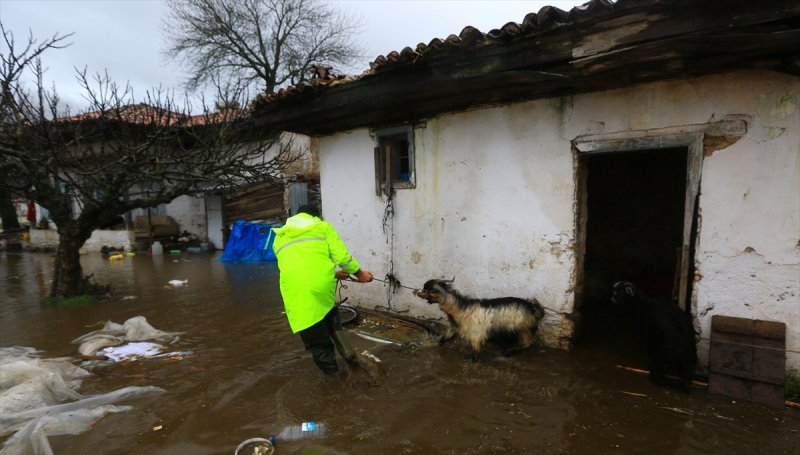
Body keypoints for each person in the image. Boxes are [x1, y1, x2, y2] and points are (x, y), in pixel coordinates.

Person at [272, 204, 374, 374]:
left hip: (295, 294)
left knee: (317, 342)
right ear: (315, 217)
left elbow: (299, 267)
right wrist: (359, 273)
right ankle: (349, 358)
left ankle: (332, 379)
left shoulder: (279, 237)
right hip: (321, 287)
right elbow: (341, 257)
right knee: (330, 317)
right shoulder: (321, 227)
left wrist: (333, 274)